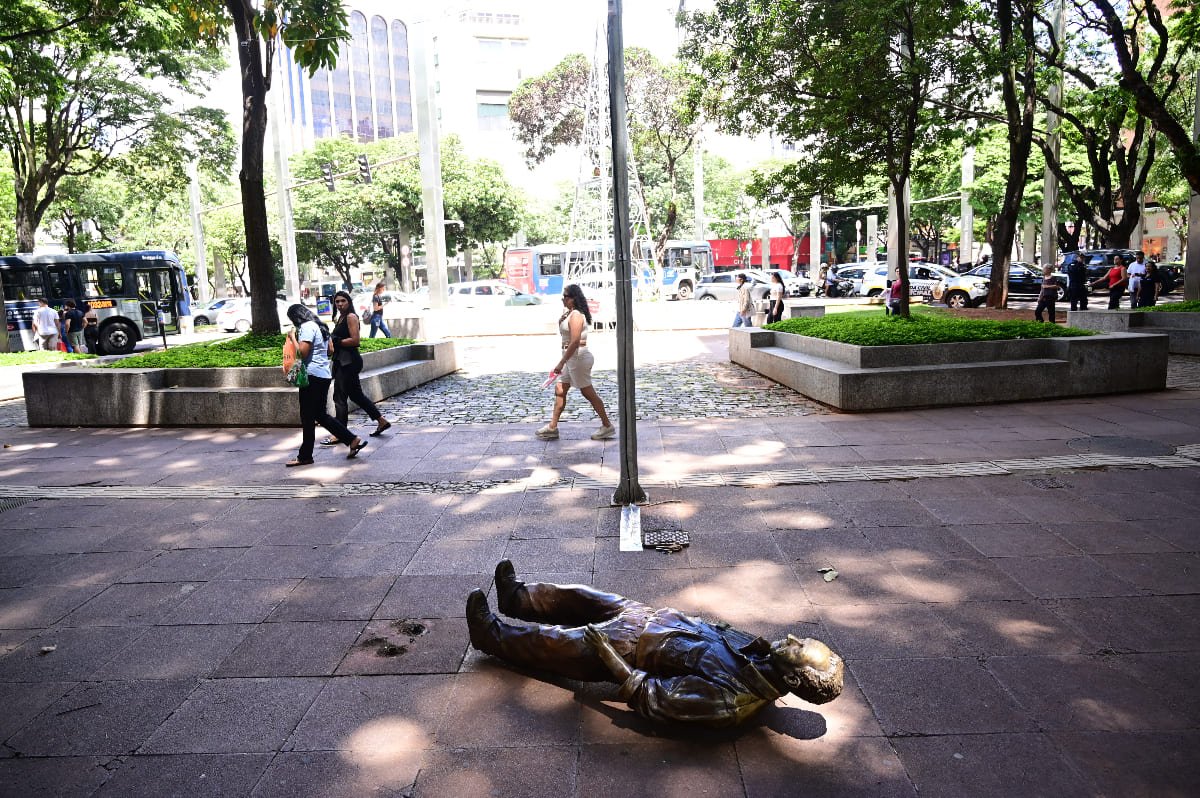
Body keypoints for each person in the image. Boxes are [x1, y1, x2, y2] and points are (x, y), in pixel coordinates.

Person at [466, 560, 845, 728]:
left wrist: (607, 655)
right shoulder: (757, 651)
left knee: (550, 643)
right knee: (575, 596)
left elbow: (651, 694)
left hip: (627, 649)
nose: (793, 638)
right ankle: (516, 598)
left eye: (799, 648)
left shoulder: (730, 701)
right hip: (645, 616)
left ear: (794, 679)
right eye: (801, 638)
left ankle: (490, 635)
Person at [284, 303, 367, 467]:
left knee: (307, 417)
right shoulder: (321, 327)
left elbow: (303, 352)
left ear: (296, 317)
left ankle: (305, 456)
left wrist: (292, 337)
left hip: (312, 376)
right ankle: (352, 439)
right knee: (320, 415)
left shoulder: (307, 327)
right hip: (324, 374)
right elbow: (330, 350)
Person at [536, 284, 615, 441]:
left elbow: (574, 342)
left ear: (573, 298)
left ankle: (607, 425)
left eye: (565, 296)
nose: (563, 299)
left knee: (587, 392)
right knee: (560, 388)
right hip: (571, 356)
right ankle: (552, 427)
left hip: (577, 357)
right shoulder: (570, 313)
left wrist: (561, 362)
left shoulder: (577, 315)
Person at [319, 291, 392, 446]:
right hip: (343, 361)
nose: (339, 304)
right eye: (337, 301)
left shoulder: (351, 317)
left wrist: (336, 341)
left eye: (343, 301)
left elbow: (355, 340)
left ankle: (340, 434)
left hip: (349, 362)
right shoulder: (340, 318)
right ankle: (381, 421)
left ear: (348, 302)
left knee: (339, 398)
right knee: (356, 396)